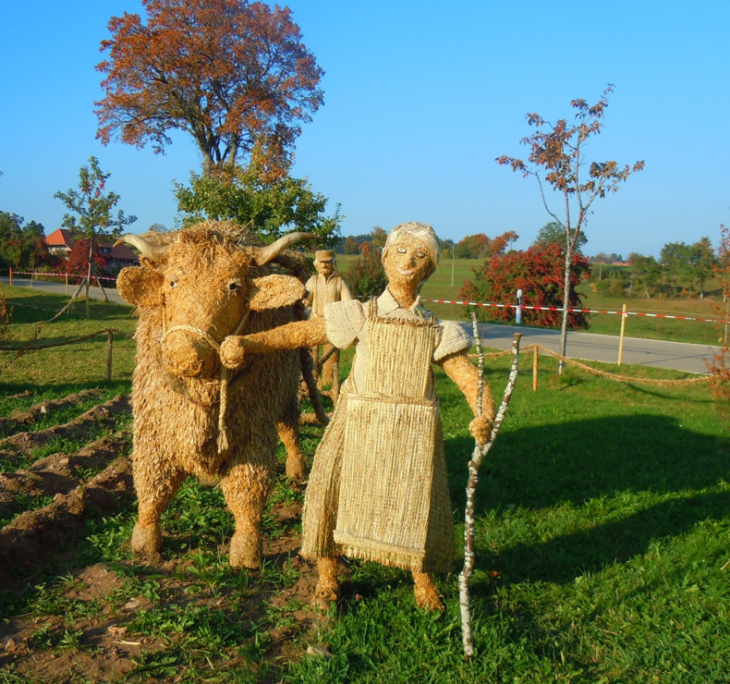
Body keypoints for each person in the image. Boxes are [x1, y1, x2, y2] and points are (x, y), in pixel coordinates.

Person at [220, 222, 495, 611]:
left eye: (420, 256)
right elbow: (305, 332)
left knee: (415, 502)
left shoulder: (436, 329)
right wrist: (250, 343)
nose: (408, 262)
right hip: (358, 418)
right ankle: (328, 575)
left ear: (430, 268)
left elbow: (469, 379)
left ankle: (422, 578)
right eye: (401, 252)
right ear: (385, 257)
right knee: (334, 492)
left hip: (412, 430)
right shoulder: (361, 315)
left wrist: (482, 414)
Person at [303, 250, 352, 388]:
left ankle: (328, 381)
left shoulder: (339, 283)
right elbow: (305, 302)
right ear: (316, 265)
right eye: (322, 263)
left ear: (334, 264)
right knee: (311, 353)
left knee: (331, 354)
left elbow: (348, 303)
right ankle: (310, 381)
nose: (324, 265)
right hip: (314, 321)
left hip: (333, 323)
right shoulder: (313, 281)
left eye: (328, 262)